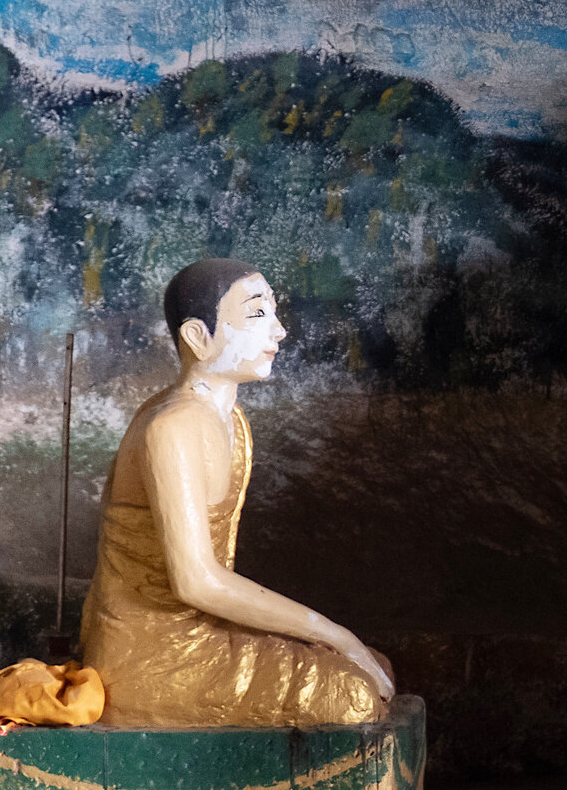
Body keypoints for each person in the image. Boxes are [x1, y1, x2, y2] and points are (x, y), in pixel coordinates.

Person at [83, 258, 394, 727]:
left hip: (204, 633)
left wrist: (336, 642)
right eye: (257, 315)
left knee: (371, 671)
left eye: (274, 312)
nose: (280, 331)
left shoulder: (232, 420)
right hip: (154, 655)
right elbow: (196, 581)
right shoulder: (173, 426)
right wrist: (333, 634)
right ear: (198, 337)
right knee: (351, 695)